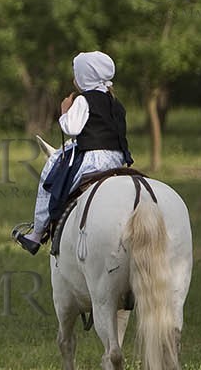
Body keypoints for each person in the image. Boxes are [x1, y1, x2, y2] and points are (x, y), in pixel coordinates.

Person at [13, 51, 133, 255]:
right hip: (117, 159)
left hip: (92, 159)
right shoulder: (116, 103)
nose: (73, 78)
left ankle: (37, 232)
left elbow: (71, 129)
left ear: (85, 77)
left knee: (50, 174)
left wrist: (65, 112)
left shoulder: (83, 100)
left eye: (76, 74)